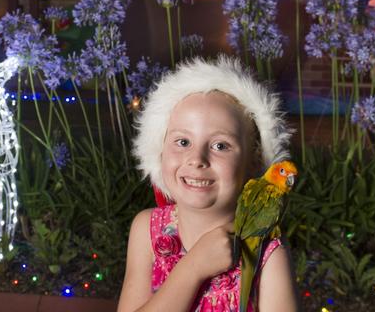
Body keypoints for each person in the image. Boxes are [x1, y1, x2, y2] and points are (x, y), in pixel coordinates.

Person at [118, 58, 296, 312]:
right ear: (159, 147)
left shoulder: (266, 255)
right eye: (182, 142)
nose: (197, 159)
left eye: (220, 146)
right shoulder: (147, 230)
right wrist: (193, 268)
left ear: (255, 159)